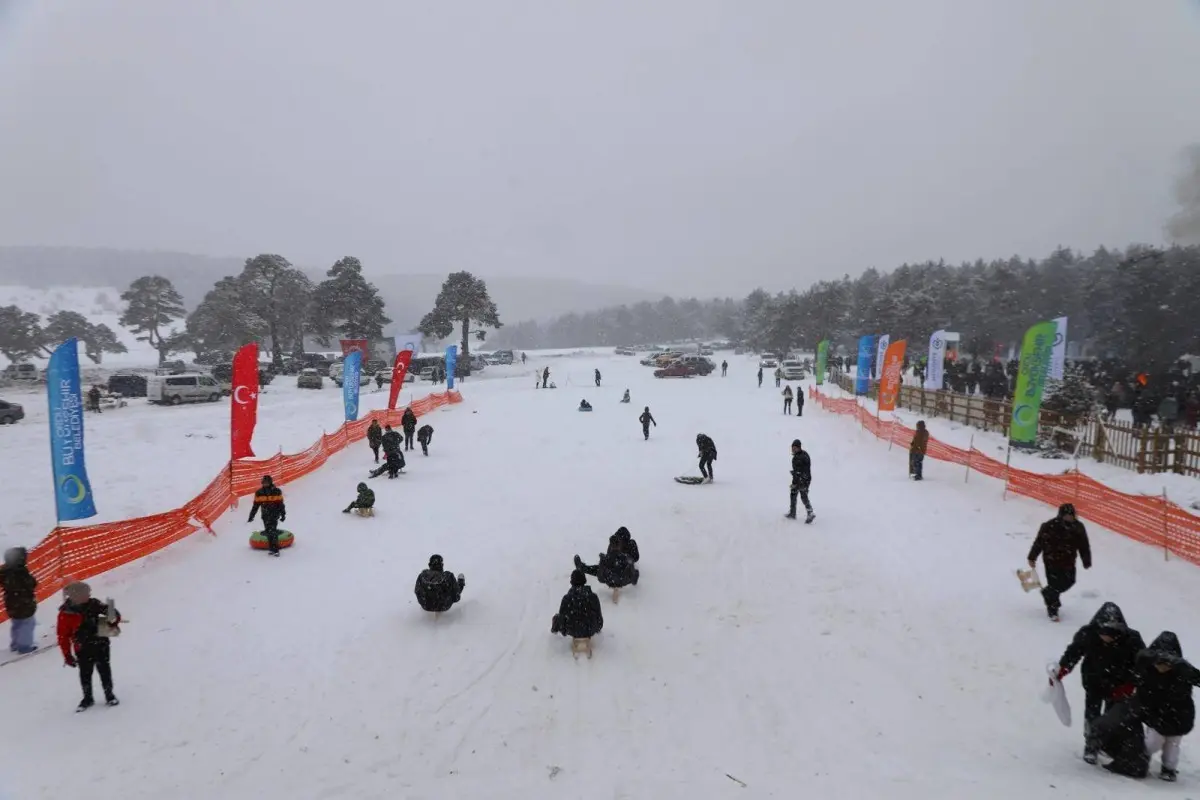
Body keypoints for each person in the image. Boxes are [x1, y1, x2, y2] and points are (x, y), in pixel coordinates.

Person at [1054, 602, 1145, 764]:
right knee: (1092, 714)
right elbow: (1074, 652)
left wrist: (1131, 684)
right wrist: (1063, 668)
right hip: (1093, 681)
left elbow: (1142, 665)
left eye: (1111, 634)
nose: (1106, 638)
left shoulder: (1132, 639)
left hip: (1119, 685)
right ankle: (1091, 745)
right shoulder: (1087, 634)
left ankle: (1107, 743)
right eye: (1102, 633)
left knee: (1112, 717)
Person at [1130, 631, 1200, 782]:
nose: (1162, 667)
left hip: (1179, 714)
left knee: (1173, 744)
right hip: (1156, 712)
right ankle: (1142, 759)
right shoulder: (1147, 670)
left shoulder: (1184, 671)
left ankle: (1169, 768)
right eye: (1159, 663)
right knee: (1153, 741)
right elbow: (1138, 685)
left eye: (1167, 664)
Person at [57, 581, 119, 711]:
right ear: (75, 596)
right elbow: (63, 636)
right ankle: (87, 697)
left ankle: (109, 695)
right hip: (83, 648)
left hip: (101, 643)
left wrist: (113, 616)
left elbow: (113, 615)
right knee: (85, 673)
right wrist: (67, 655)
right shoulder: (66, 613)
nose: (89, 595)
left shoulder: (94, 603)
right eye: (86, 593)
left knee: (105, 671)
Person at [1027, 503, 1091, 621]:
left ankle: (1047, 592)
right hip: (1051, 561)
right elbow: (1039, 542)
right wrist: (1032, 557)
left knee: (1069, 581)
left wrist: (1086, 560)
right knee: (1054, 585)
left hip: (1069, 561)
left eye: (1071, 515)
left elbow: (1084, 545)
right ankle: (1053, 611)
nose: (1069, 518)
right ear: (1061, 515)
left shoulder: (1078, 527)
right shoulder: (1049, 526)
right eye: (1066, 515)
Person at [574, 527, 640, 589]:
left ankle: (632, 578)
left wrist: (625, 558)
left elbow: (636, 557)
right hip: (613, 569)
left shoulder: (631, 544)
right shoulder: (613, 543)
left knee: (628, 570)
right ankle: (582, 567)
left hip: (625, 567)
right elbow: (609, 557)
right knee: (600, 568)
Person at [1, 546, 38, 654]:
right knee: (27, 624)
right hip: (24, 602)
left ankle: (15, 644)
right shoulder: (21, 572)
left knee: (16, 623)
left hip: (11, 602)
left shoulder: (4, 571)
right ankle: (24, 646)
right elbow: (31, 583)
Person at [550, 569, 603, 640]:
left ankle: (554, 629)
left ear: (572, 582)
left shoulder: (567, 598)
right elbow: (599, 619)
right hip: (590, 629)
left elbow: (562, 618)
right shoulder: (593, 597)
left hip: (572, 630)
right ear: (584, 580)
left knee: (557, 617)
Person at [247, 475, 286, 556]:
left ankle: (275, 550)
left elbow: (281, 504)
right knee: (268, 531)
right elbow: (255, 506)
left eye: (267, 483)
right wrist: (251, 516)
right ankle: (271, 549)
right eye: (264, 483)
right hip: (265, 515)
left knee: (273, 531)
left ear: (270, 482)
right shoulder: (259, 493)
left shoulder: (277, 491)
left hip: (274, 514)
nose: (265, 484)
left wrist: (283, 514)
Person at [787, 439, 814, 523]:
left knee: (803, 496)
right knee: (793, 493)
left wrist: (802, 479)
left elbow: (805, 469)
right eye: (792, 448)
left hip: (804, 480)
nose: (793, 449)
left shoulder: (803, 456)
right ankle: (792, 513)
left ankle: (810, 513)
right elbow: (797, 471)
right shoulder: (796, 457)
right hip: (798, 479)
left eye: (795, 448)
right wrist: (794, 482)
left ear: (799, 447)